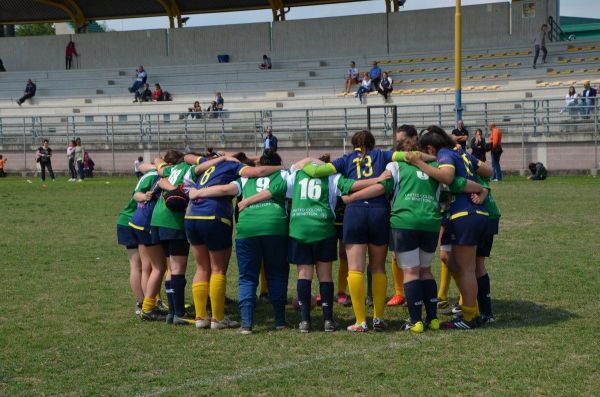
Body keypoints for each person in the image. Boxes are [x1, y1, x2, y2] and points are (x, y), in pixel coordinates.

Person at [301, 130, 413, 332]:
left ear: (353, 145)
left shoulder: (346, 159)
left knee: (355, 269)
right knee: (378, 267)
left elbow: (317, 171)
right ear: (372, 143)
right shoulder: (383, 155)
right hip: (379, 212)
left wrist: (303, 164)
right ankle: (378, 318)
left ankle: (360, 320)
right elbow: (406, 156)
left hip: (355, 213)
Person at [342, 125, 444, 333]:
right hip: (430, 222)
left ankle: (413, 320)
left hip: (405, 221)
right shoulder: (435, 168)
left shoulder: (395, 166)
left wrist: (351, 197)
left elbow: (382, 187)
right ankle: (432, 318)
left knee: (410, 272)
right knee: (425, 271)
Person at [183, 151, 288, 333]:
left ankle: (200, 316)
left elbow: (188, 163)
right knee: (218, 268)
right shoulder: (235, 167)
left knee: (201, 268)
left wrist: (196, 192)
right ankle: (217, 318)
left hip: (191, 215)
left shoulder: (205, 166)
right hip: (214, 215)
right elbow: (255, 173)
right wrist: (282, 167)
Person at [406, 125, 492, 329]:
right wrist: (481, 188)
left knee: (467, 269)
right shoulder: (459, 152)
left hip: (464, 213)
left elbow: (447, 177)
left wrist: (419, 163)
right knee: (456, 263)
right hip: (475, 213)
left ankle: (470, 317)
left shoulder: (444, 153)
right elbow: (487, 170)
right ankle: (473, 310)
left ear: (430, 147)